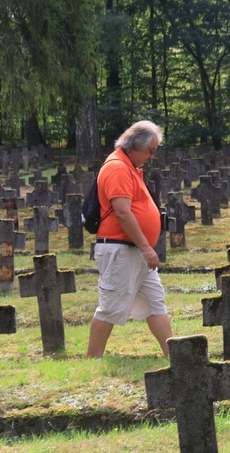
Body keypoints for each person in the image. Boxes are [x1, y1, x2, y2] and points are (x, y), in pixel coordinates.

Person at [86, 120, 174, 358]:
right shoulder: (117, 168)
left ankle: (174, 355)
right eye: (151, 150)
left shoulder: (131, 167)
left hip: (136, 251)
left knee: (155, 303)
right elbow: (122, 212)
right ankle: (92, 360)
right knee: (110, 307)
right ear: (135, 145)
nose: (152, 156)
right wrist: (146, 247)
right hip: (121, 249)